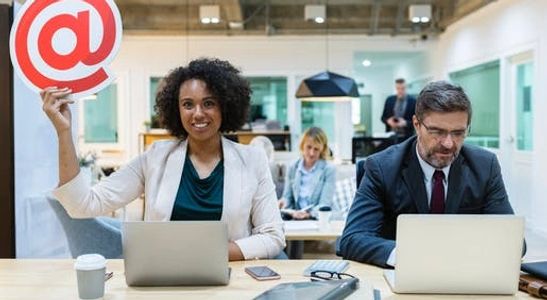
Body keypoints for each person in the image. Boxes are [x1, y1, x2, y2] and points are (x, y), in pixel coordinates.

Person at [43, 58, 285, 261]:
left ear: (226, 106)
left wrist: (208, 254)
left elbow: (273, 236)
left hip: (229, 281)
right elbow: (81, 205)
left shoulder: (252, 160)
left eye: (209, 103)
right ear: (176, 110)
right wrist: (64, 132)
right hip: (162, 282)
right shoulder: (155, 158)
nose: (198, 113)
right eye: (188, 104)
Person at [337, 81, 516, 268]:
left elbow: (513, 242)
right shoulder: (381, 167)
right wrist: (413, 256)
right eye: (437, 132)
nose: (448, 143)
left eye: (458, 133)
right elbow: (352, 239)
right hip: (401, 277)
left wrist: (465, 254)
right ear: (416, 124)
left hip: (464, 273)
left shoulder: (485, 166)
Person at [278, 127, 335, 220]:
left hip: (319, 219)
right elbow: (287, 197)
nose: (311, 153)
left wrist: (308, 214)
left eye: (316, 149)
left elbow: (325, 204)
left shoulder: (328, 169)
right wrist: (283, 202)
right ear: (302, 145)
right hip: (296, 218)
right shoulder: (292, 167)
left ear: (322, 149)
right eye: (308, 147)